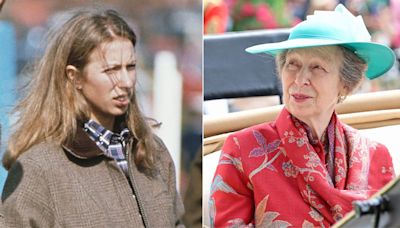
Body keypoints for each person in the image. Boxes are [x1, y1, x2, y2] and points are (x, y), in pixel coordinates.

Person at [210, 4, 395, 227]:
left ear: (346, 84)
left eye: (317, 67)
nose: (299, 80)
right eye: (292, 65)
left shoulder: (377, 156)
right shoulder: (242, 150)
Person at [1, 9, 184, 227]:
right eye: (111, 69)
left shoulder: (154, 152)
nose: (126, 81)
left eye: (131, 67)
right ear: (74, 76)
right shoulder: (38, 169)